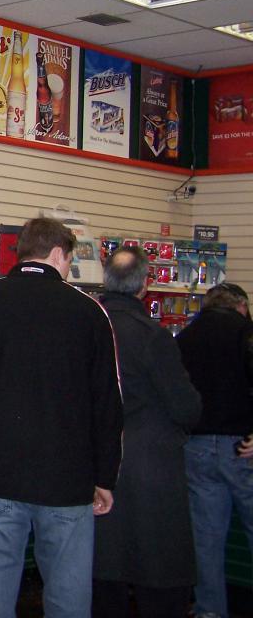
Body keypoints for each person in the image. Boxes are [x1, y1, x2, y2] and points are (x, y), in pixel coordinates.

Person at [0, 216, 123, 618]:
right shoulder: (89, 313)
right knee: (69, 601)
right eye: (70, 259)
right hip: (68, 483)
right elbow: (108, 405)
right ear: (57, 253)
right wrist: (105, 476)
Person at [93, 245, 201, 618]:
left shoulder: (87, 327)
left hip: (94, 464)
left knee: (102, 576)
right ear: (145, 286)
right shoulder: (152, 336)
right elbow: (186, 406)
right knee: (159, 574)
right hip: (151, 468)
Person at [178, 281, 253, 618]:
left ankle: (210, 610)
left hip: (196, 446)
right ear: (241, 306)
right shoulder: (247, 333)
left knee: (206, 539)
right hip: (243, 447)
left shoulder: (186, 337)